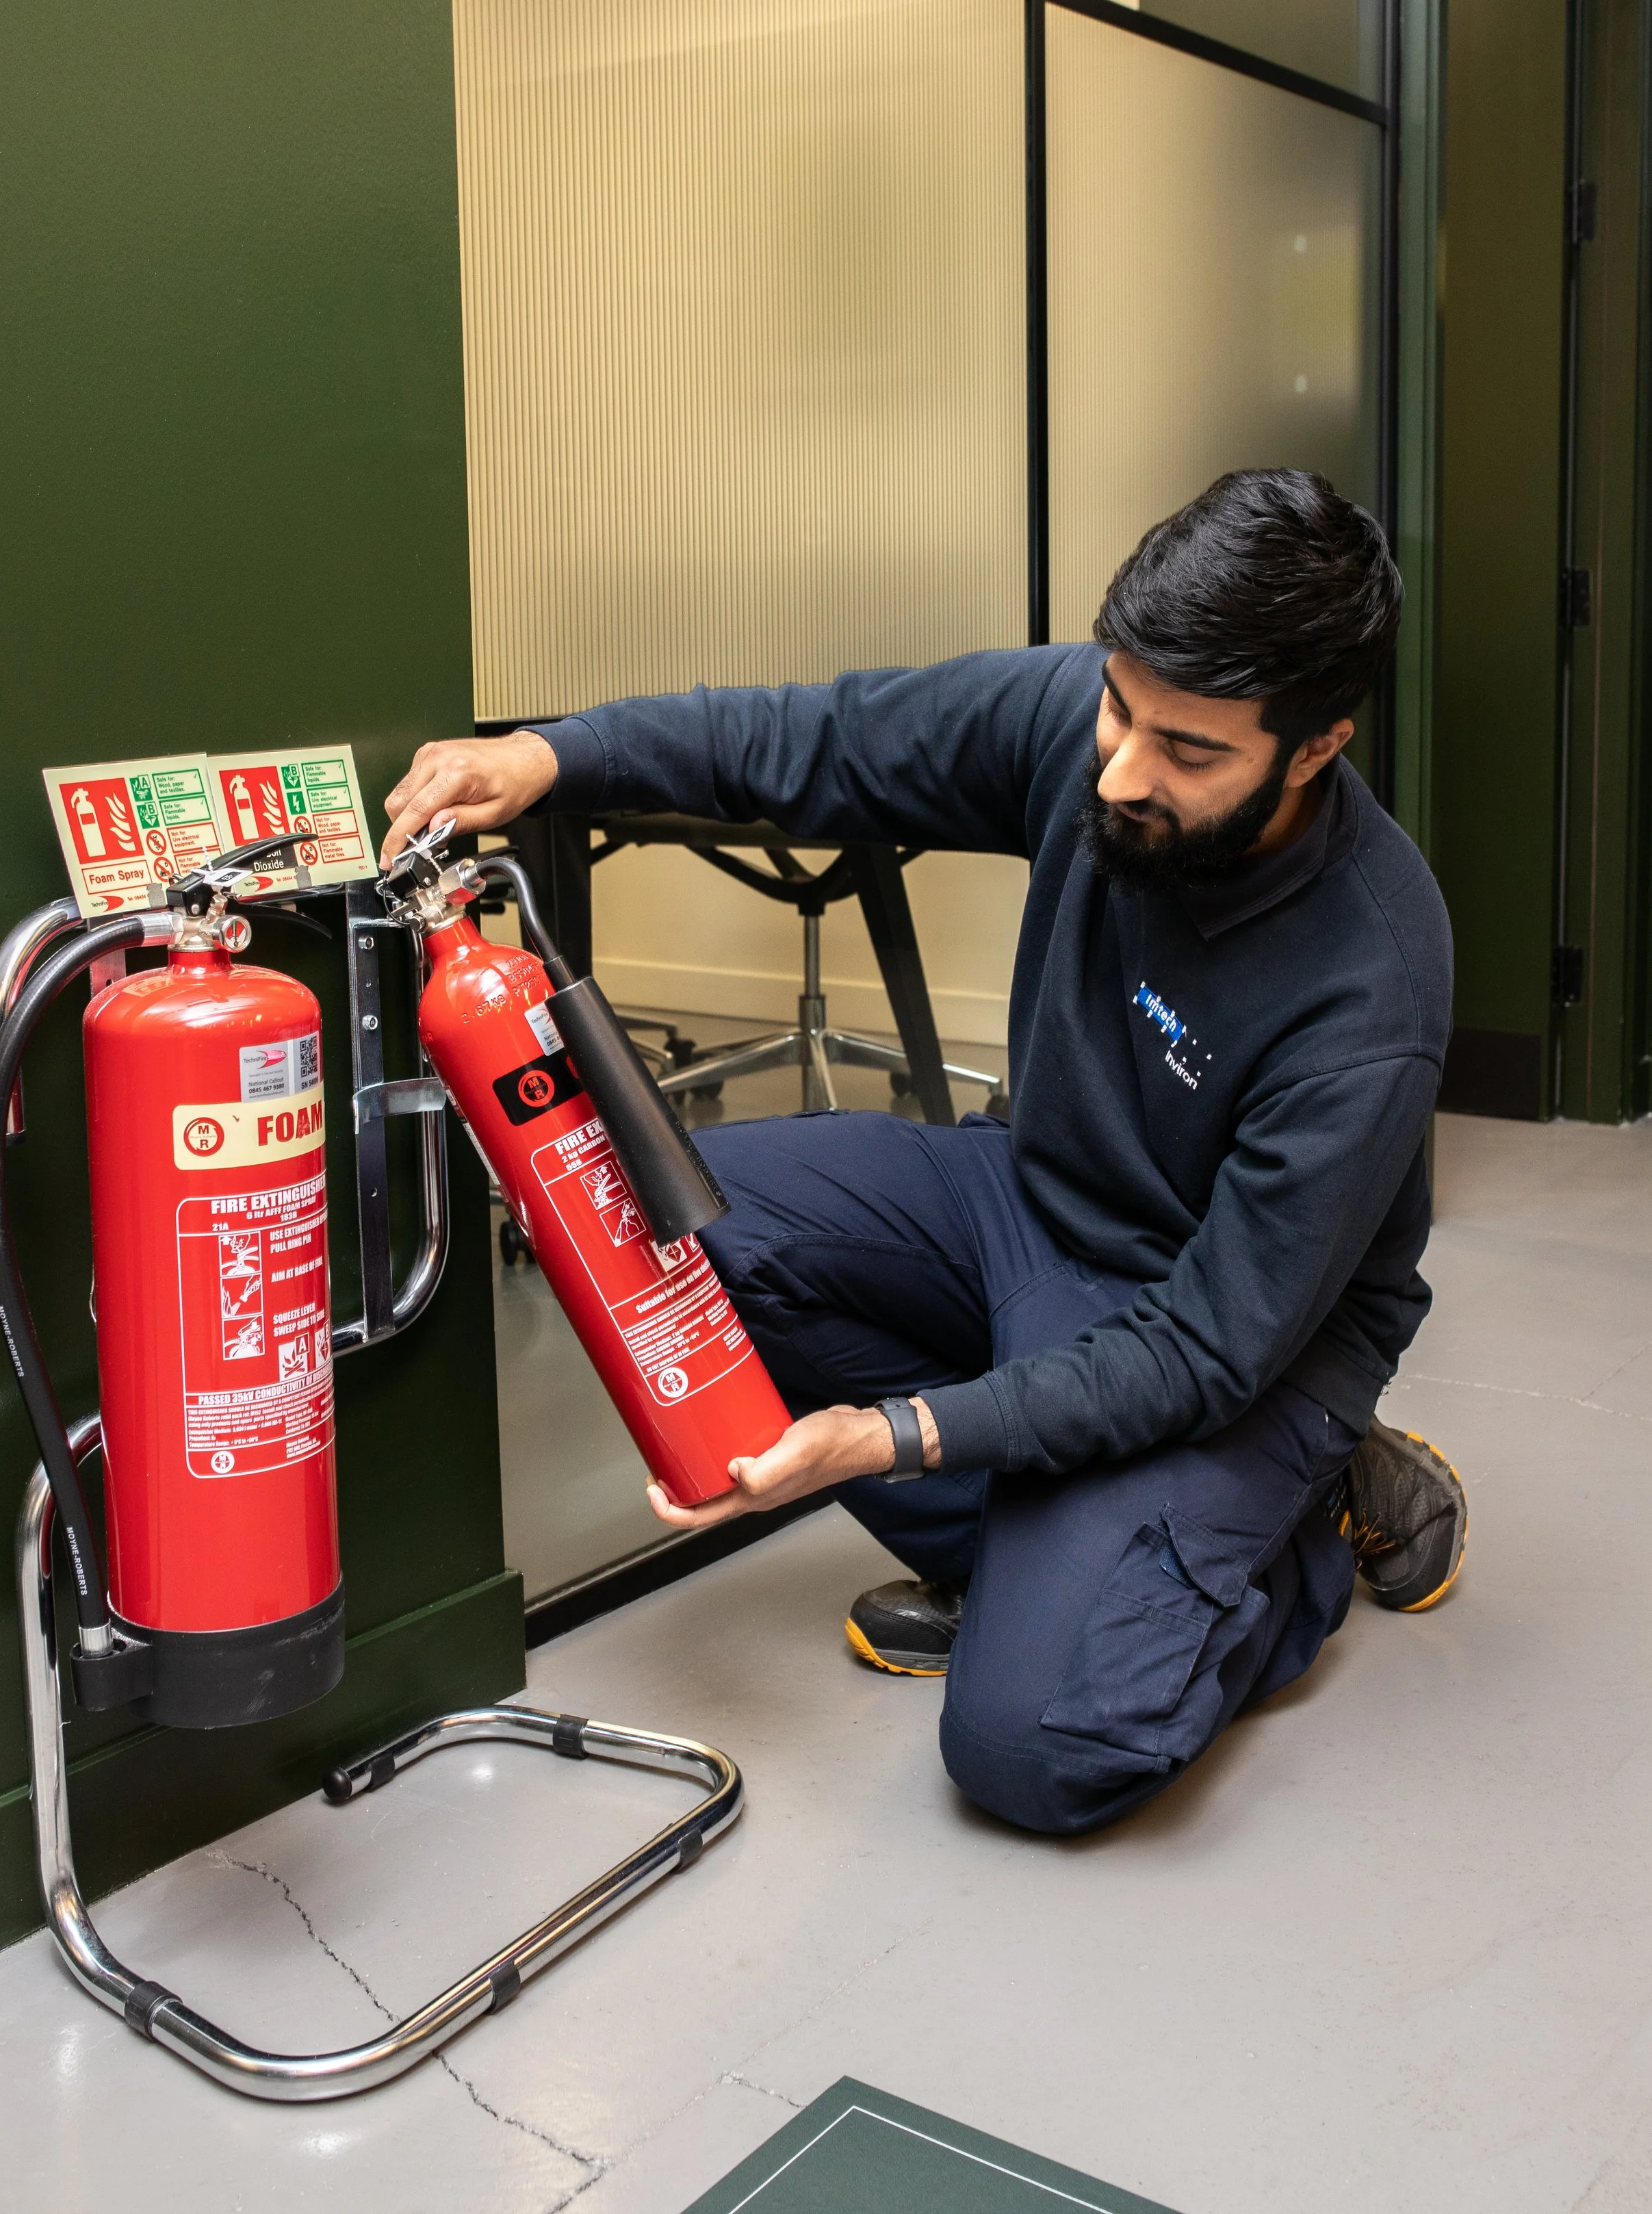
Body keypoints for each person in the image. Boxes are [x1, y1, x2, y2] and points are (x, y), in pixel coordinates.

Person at [382, 467, 1465, 1837]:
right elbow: (821, 740)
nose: (1121, 773)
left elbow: (1202, 1349)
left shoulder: (1367, 979)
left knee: (1035, 1748)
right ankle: (1051, 1555)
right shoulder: (1092, 732)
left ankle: (1296, 1538)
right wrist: (547, 758)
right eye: (1117, 712)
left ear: (1313, 748)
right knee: (650, 1220)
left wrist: (888, 1439)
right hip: (1029, 1206)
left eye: (1189, 755)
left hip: (1237, 1344)